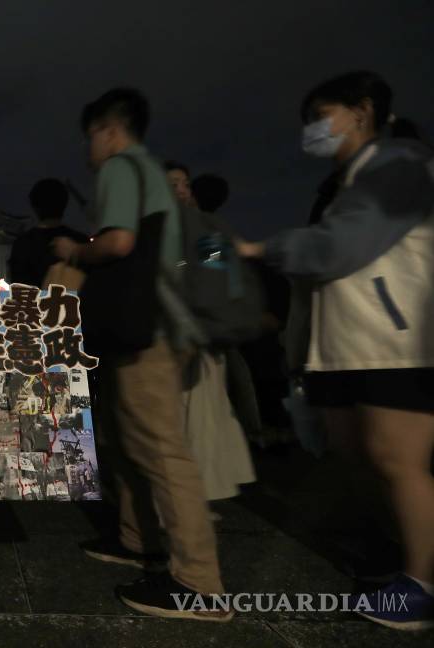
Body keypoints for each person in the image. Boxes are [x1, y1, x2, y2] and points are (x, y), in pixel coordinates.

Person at [236, 70, 434, 631]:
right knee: (360, 459)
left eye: (321, 116)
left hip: (396, 344)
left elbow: (339, 246)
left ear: (362, 111)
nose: (312, 130)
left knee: (398, 461)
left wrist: (260, 248)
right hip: (348, 345)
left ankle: (421, 584)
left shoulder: (400, 162)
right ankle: (397, 555)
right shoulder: (352, 179)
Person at [52, 88, 230, 621]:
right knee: (130, 439)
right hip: (159, 326)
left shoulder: (122, 166)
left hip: (148, 328)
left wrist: (74, 250)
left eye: (89, 137)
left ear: (107, 131)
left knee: (161, 448)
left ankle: (199, 583)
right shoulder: (153, 177)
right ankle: (137, 539)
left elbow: (119, 242)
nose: (88, 150)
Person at [164, 161, 256, 510]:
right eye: (173, 184)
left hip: (197, 335)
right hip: (179, 333)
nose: (181, 190)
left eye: (184, 183)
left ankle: (192, 501)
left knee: (198, 418)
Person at [8, 179, 89, 287]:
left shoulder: (22, 244)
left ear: (34, 206)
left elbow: (18, 285)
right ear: (64, 204)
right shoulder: (80, 241)